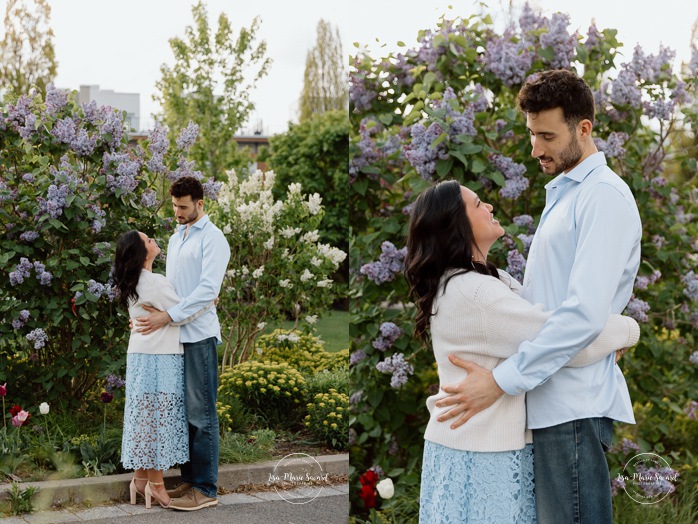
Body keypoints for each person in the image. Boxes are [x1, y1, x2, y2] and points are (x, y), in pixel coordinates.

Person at [435, 70, 642, 523]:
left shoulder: (602, 197)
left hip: (571, 404)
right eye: (532, 134)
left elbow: (583, 314)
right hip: (549, 402)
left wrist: (502, 379)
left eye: (546, 136)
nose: (535, 149)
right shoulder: (566, 195)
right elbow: (541, 307)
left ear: (583, 128)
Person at [404, 180, 640, 523]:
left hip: (470, 445)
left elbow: (556, 333)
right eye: (479, 204)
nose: (490, 207)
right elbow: (567, 343)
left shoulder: (485, 281)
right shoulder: (476, 294)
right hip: (484, 453)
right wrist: (628, 330)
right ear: (456, 224)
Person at [135, 176, 231, 511]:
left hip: (198, 335)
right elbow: (176, 288)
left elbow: (206, 290)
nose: (177, 211)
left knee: (201, 413)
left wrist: (167, 316)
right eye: (174, 205)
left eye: (183, 206)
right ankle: (190, 481)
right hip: (174, 338)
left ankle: (206, 489)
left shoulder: (214, 238)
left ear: (200, 204)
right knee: (184, 414)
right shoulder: (177, 237)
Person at [112, 230, 213, 509]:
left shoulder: (133, 282)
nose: (153, 241)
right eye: (148, 240)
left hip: (140, 357)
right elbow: (182, 313)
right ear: (141, 253)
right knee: (157, 419)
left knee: (145, 417)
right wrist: (208, 303)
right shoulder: (154, 282)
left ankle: (140, 480)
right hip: (161, 358)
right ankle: (156, 485)